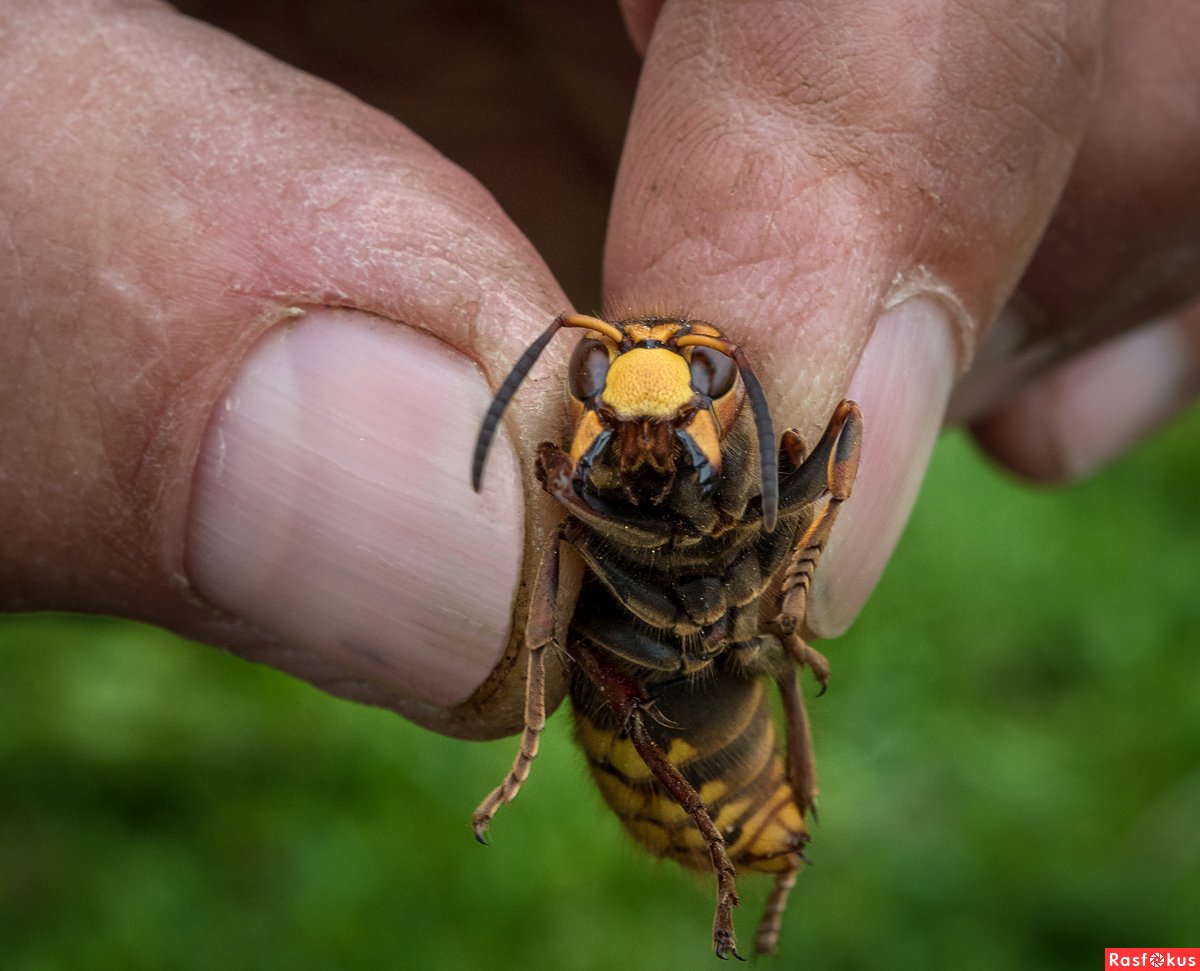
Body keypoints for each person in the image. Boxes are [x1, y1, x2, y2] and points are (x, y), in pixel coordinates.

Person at [2, 1, 1197, 740]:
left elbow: (819, 460)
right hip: (637, 702)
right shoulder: (578, 484)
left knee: (777, 621)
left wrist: (779, 593)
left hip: (727, 675)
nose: (646, 415)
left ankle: (774, 778)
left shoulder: (750, 455)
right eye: (610, 389)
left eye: (686, 389)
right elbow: (559, 504)